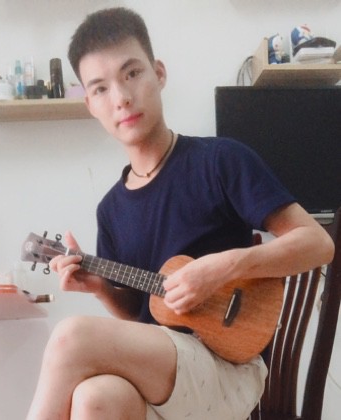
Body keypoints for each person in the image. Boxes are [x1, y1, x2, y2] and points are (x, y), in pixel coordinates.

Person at [26, 7, 334, 420]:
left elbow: (318, 243)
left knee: (70, 337)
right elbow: (141, 311)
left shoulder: (220, 161)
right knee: (94, 398)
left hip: (229, 367)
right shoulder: (111, 210)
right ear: (90, 104)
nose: (121, 98)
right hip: (163, 371)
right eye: (100, 89)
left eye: (132, 73)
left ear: (159, 73)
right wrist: (102, 289)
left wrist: (224, 267)